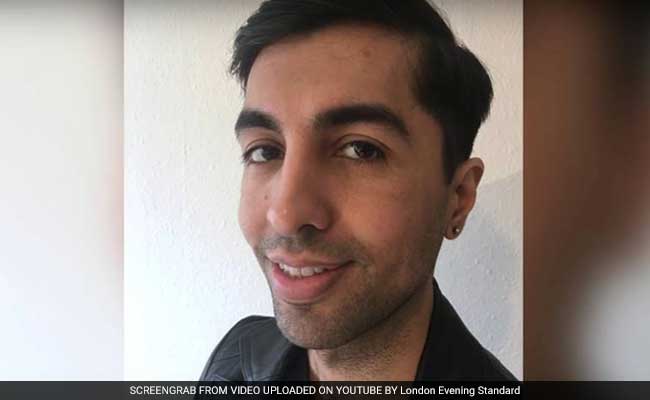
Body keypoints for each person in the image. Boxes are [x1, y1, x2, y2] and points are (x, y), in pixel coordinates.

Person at [200, 0, 515, 381]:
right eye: (265, 151)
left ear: (458, 198)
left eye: (361, 150)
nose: (285, 215)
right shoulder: (238, 353)